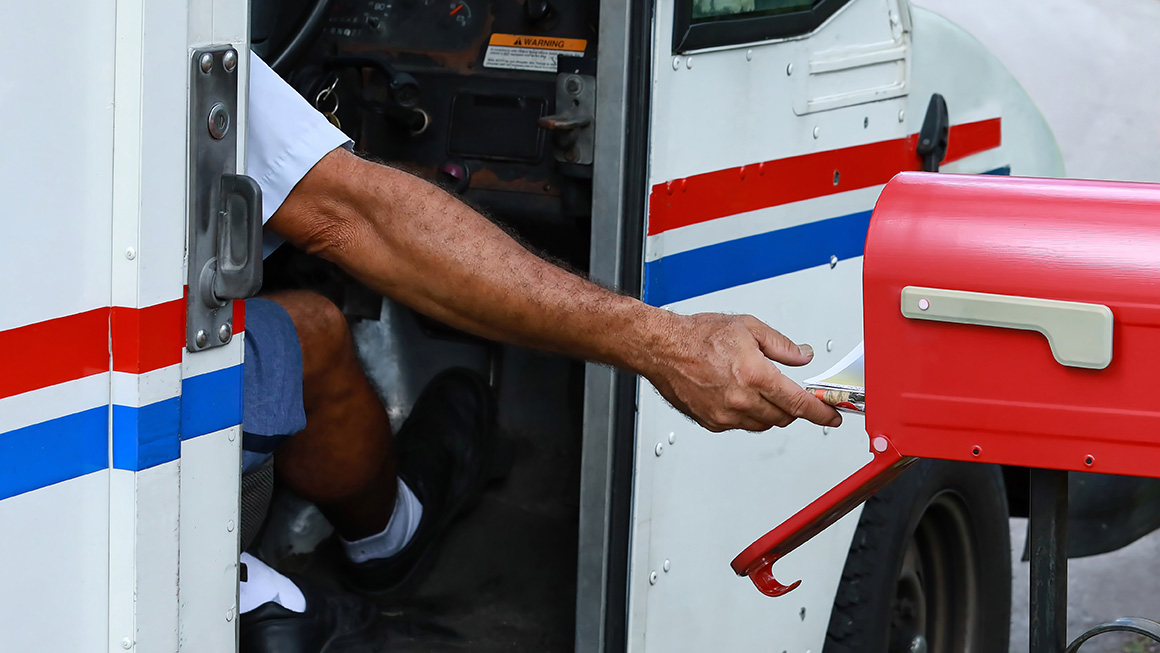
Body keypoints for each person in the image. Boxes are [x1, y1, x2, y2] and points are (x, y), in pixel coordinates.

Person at [236, 53, 842, 652]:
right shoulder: (190, 47)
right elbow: (356, 216)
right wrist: (665, 342)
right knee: (314, 329)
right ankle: (373, 549)